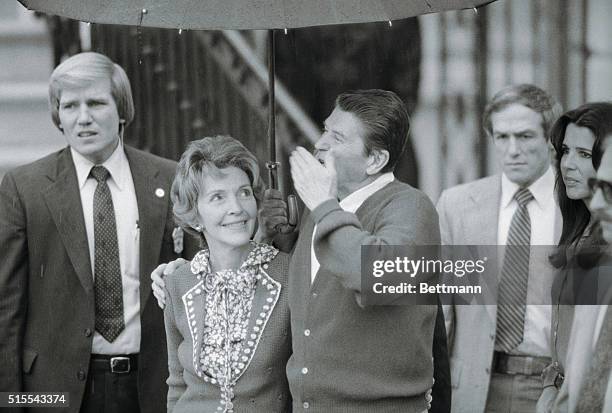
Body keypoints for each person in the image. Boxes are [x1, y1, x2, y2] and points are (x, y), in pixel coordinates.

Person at [154, 89, 442, 412]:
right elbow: (319, 294)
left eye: (337, 137)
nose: (320, 144)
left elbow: (377, 276)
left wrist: (322, 204)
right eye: (324, 130)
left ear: (375, 160)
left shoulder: (410, 206)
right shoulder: (318, 211)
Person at [0, 52, 196, 413]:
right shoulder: (23, 188)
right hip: (54, 394)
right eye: (70, 105)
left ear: (121, 111)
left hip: (152, 389)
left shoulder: (168, 180)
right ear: (58, 116)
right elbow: (6, 309)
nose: (83, 118)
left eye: (96, 103)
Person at [437, 84, 563, 412]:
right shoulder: (458, 206)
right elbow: (443, 309)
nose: (512, 150)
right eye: (501, 137)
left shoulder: (577, 208)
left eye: (524, 136)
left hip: (551, 388)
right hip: (474, 388)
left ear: (551, 141)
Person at [163, 136, 291, 412]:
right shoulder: (177, 282)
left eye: (244, 192)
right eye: (218, 197)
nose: (237, 207)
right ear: (194, 217)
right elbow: (176, 386)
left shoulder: (289, 274)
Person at [538, 102, 612, 413]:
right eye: (565, 151)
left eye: (584, 154)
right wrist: (549, 387)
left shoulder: (604, 246)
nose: (568, 164)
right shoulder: (577, 231)